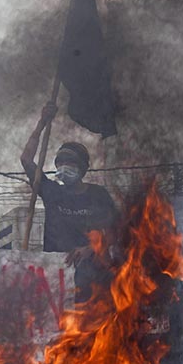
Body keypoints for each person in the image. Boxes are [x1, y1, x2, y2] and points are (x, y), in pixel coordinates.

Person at [21, 103, 118, 302]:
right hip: (57, 277)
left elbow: (116, 231)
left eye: (70, 163)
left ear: (82, 168)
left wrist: (90, 249)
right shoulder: (51, 192)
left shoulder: (98, 195)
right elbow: (26, 159)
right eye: (60, 163)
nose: (64, 167)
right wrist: (42, 122)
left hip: (93, 278)